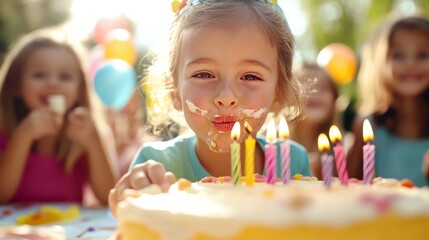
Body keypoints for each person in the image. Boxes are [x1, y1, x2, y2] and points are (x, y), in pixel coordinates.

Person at [109, 0, 311, 215]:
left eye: (250, 76)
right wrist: (124, 202)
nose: (226, 97)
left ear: (278, 93)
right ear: (174, 91)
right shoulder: (156, 166)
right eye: (204, 74)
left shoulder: (291, 163)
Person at [0, 28, 118, 204]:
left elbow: (109, 197)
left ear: (80, 90)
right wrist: (23, 136)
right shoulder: (5, 134)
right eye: (39, 75)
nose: (53, 83)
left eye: (65, 77)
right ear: (15, 84)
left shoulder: (85, 135)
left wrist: (94, 142)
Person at [347, 16, 429, 187]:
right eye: (398, 55)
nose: (410, 64)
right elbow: (348, 188)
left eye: (422, 55)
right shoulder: (367, 127)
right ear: (380, 62)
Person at [290, 63, 339, 180]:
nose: (315, 93)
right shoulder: (271, 146)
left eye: (323, 87)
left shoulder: (347, 146)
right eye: (307, 87)